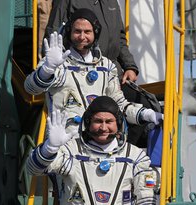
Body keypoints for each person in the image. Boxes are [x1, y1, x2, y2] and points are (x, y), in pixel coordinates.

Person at [24, 8, 163, 137]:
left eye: (87, 32)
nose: (82, 37)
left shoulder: (107, 66)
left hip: (98, 144)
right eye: (77, 31)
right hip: (65, 143)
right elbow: (31, 89)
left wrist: (148, 114)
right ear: (69, 33)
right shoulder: (57, 63)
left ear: (95, 33)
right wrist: (47, 69)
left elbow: (119, 105)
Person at [26, 96, 158, 204]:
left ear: (118, 124)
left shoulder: (135, 156)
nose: (103, 127)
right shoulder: (71, 152)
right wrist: (49, 148)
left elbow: (146, 198)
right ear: (88, 123)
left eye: (109, 121)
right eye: (98, 121)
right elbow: (33, 169)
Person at [45, 0, 138, 84]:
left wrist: (130, 67)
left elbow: (120, 37)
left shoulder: (112, 2)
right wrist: (52, 71)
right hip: (80, 74)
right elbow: (53, 34)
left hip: (113, 73)